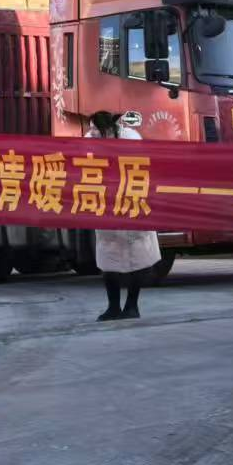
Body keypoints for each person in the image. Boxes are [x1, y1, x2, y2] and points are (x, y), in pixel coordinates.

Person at [88, 110, 161, 321]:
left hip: (131, 203)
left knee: (137, 257)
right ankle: (113, 307)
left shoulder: (131, 137)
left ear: (109, 128)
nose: (94, 133)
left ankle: (132, 306)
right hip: (106, 206)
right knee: (107, 258)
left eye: (97, 130)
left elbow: (142, 168)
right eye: (92, 130)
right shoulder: (90, 139)